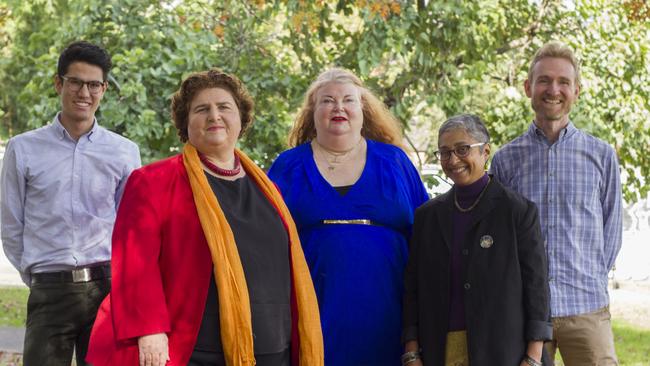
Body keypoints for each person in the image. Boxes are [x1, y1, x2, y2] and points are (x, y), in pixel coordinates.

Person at [85, 69, 323, 366]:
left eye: (224, 107)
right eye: (202, 109)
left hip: (274, 347)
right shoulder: (153, 181)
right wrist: (150, 330)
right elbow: (135, 263)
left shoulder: (267, 188)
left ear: (241, 118)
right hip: (197, 349)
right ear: (186, 122)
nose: (215, 115)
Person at [268, 68, 429, 365]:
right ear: (312, 112)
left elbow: (426, 240)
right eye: (327, 100)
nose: (338, 107)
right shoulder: (287, 166)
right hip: (312, 315)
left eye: (348, 100)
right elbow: (267, 247)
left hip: (390, 316)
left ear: (363, 110)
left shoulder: (395, 162)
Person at [0, 40, 141, 366]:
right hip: (50, 290)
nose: (84, 92)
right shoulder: (24, 149)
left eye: (94, 85)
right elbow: (11, 224)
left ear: (103, 89)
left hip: (106, 290)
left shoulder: (123, 151)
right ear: (58, 83)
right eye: (75, 82)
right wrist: (37, 274)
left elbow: (129, 224)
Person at [490, 41, 623, 365]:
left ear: (577, 90)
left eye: (564, 81)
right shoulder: (506, 161)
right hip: (526, 315)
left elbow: (612, 231)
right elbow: (501, 239)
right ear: (528, 87)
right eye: (544, 80)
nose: (554, 89)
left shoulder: (602, 156)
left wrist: (588, 275)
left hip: (587, 309)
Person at [402, 114, 552, 366]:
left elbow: (537, 289)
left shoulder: (517, 212)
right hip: (439, 350)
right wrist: (411, 351)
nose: (453, 160)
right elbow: (413, 289)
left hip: (503, 352)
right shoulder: (427, 216)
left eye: (462, 149)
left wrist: (533, 357)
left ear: (485, 152)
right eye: (445, 152)